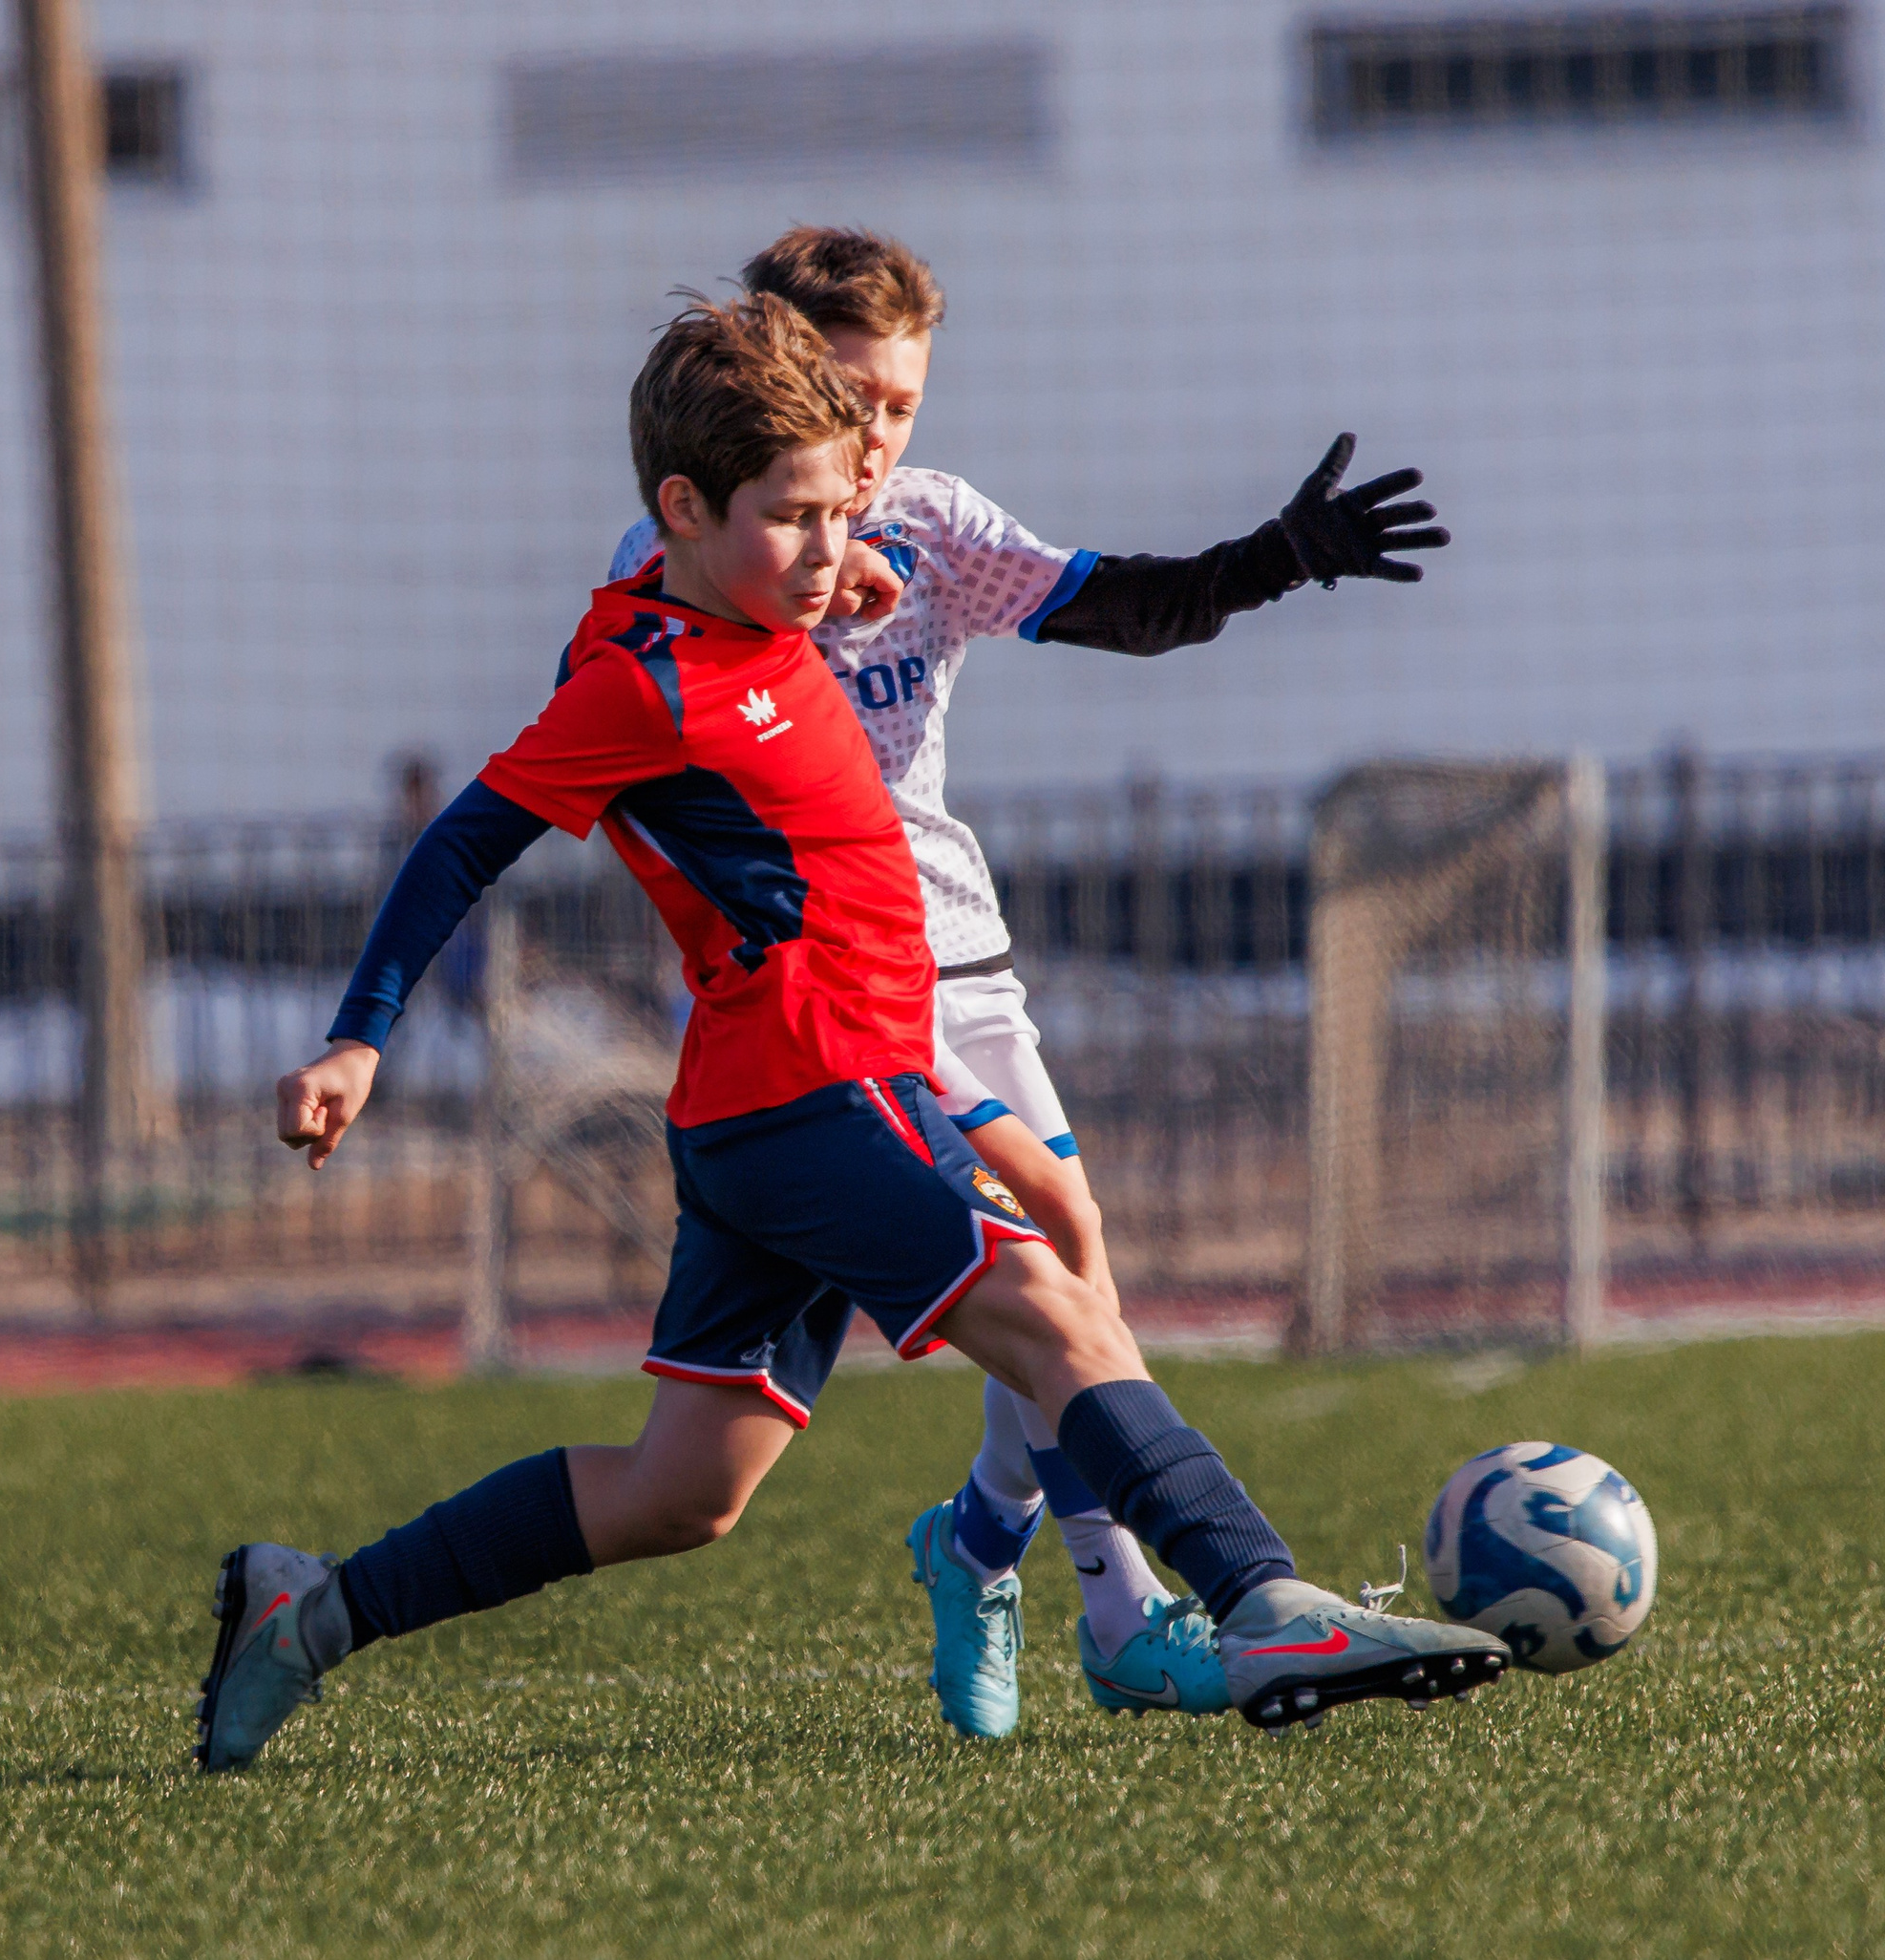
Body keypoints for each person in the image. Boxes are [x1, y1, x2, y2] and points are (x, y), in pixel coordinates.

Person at [197, 291, 1505, 1773]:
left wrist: (833, 565)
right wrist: (360, 1037)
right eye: (792, 519)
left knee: (681, 1492)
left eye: (840, 514)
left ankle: (310, 1614)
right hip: (815, 1085)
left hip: (776, 1108)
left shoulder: (755, 610)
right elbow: (462, 842)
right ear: (682, 510)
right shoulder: (645, 682)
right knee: (1062, 1315)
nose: (829, 551)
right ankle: (1261, 1600)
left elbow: (821, 590)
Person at [605, 228, 1451, 1737]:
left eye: (902, 405)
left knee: (1067, 1267)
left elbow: (1122, 607)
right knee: (1060, 1248)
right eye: (849, 397)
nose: (876, 435)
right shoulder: (689, 560)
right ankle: (1120, 1611)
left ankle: (988, 1540)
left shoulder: (933, 526)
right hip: (824, 987)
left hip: (960, 958)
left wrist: (1281, 555)